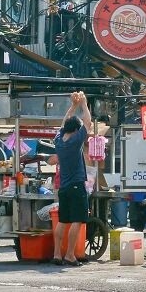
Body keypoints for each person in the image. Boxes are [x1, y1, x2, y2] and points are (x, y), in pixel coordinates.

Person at [52, 92, 91, 266]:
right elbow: (88, 123)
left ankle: (56, 254)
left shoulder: (59, 140)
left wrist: (73, 107)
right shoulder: (75, 141)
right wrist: (83, 103)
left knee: (62, 220)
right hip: (76, 186)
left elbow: (64, 123)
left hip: (64, 188)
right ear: (76, 130)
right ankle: (69, 254)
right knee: (77, 220)